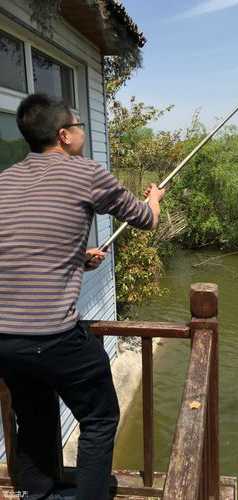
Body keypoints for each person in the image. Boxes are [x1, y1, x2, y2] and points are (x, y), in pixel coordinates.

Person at [0, 93, 165, 500]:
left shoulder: (4, 180)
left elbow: (19, 244)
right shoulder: (87, 173)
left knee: (34, 418)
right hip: (52, 337)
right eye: (79, 126)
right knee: (100, 417)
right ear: (63, 135)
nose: (83, 133)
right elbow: (144, 220)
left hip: (5, 339)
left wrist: (75, 258)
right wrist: (155, 200)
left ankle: (36, 495)